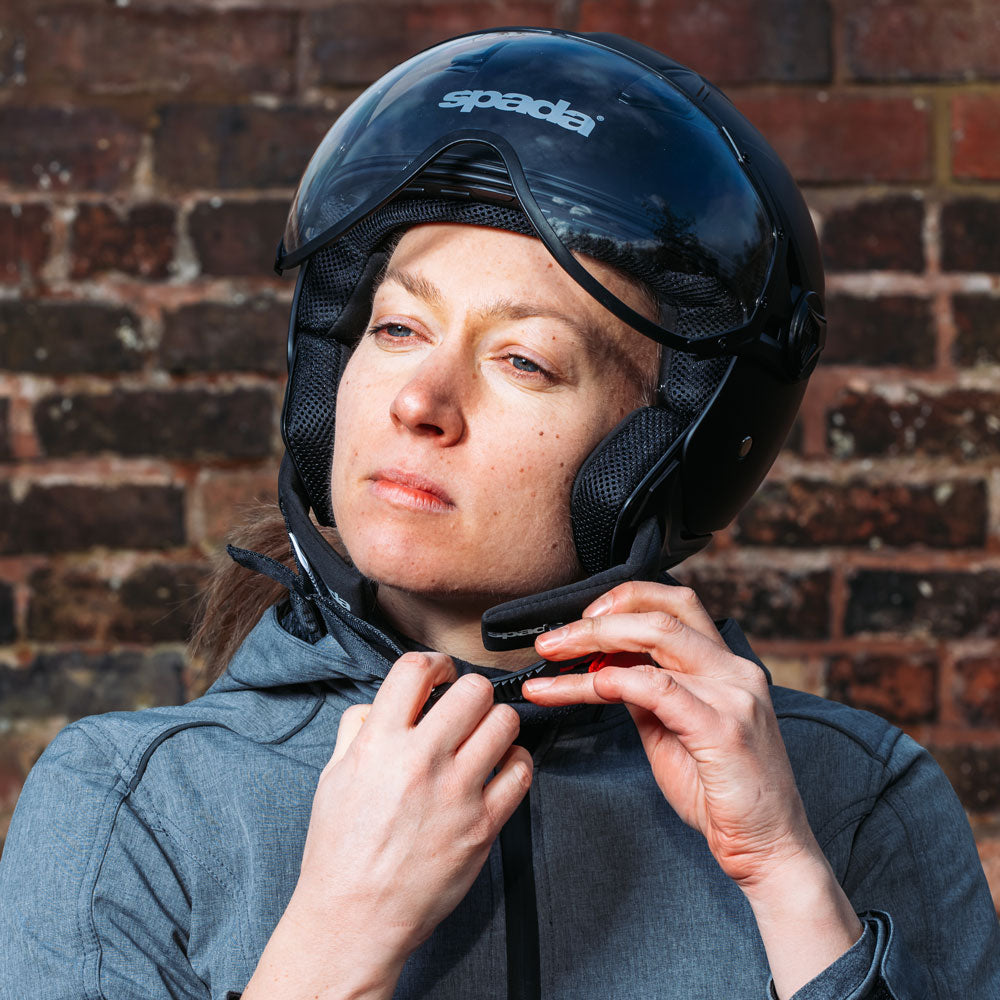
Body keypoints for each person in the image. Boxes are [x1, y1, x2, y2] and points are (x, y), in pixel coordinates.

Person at [1, 27, 997, 1000]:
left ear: (660, 448)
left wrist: (787, 876)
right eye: (396, 326)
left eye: (522, 360)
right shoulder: (130, 802)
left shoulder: (855, 795)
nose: (418, 402)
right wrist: (339, 936)